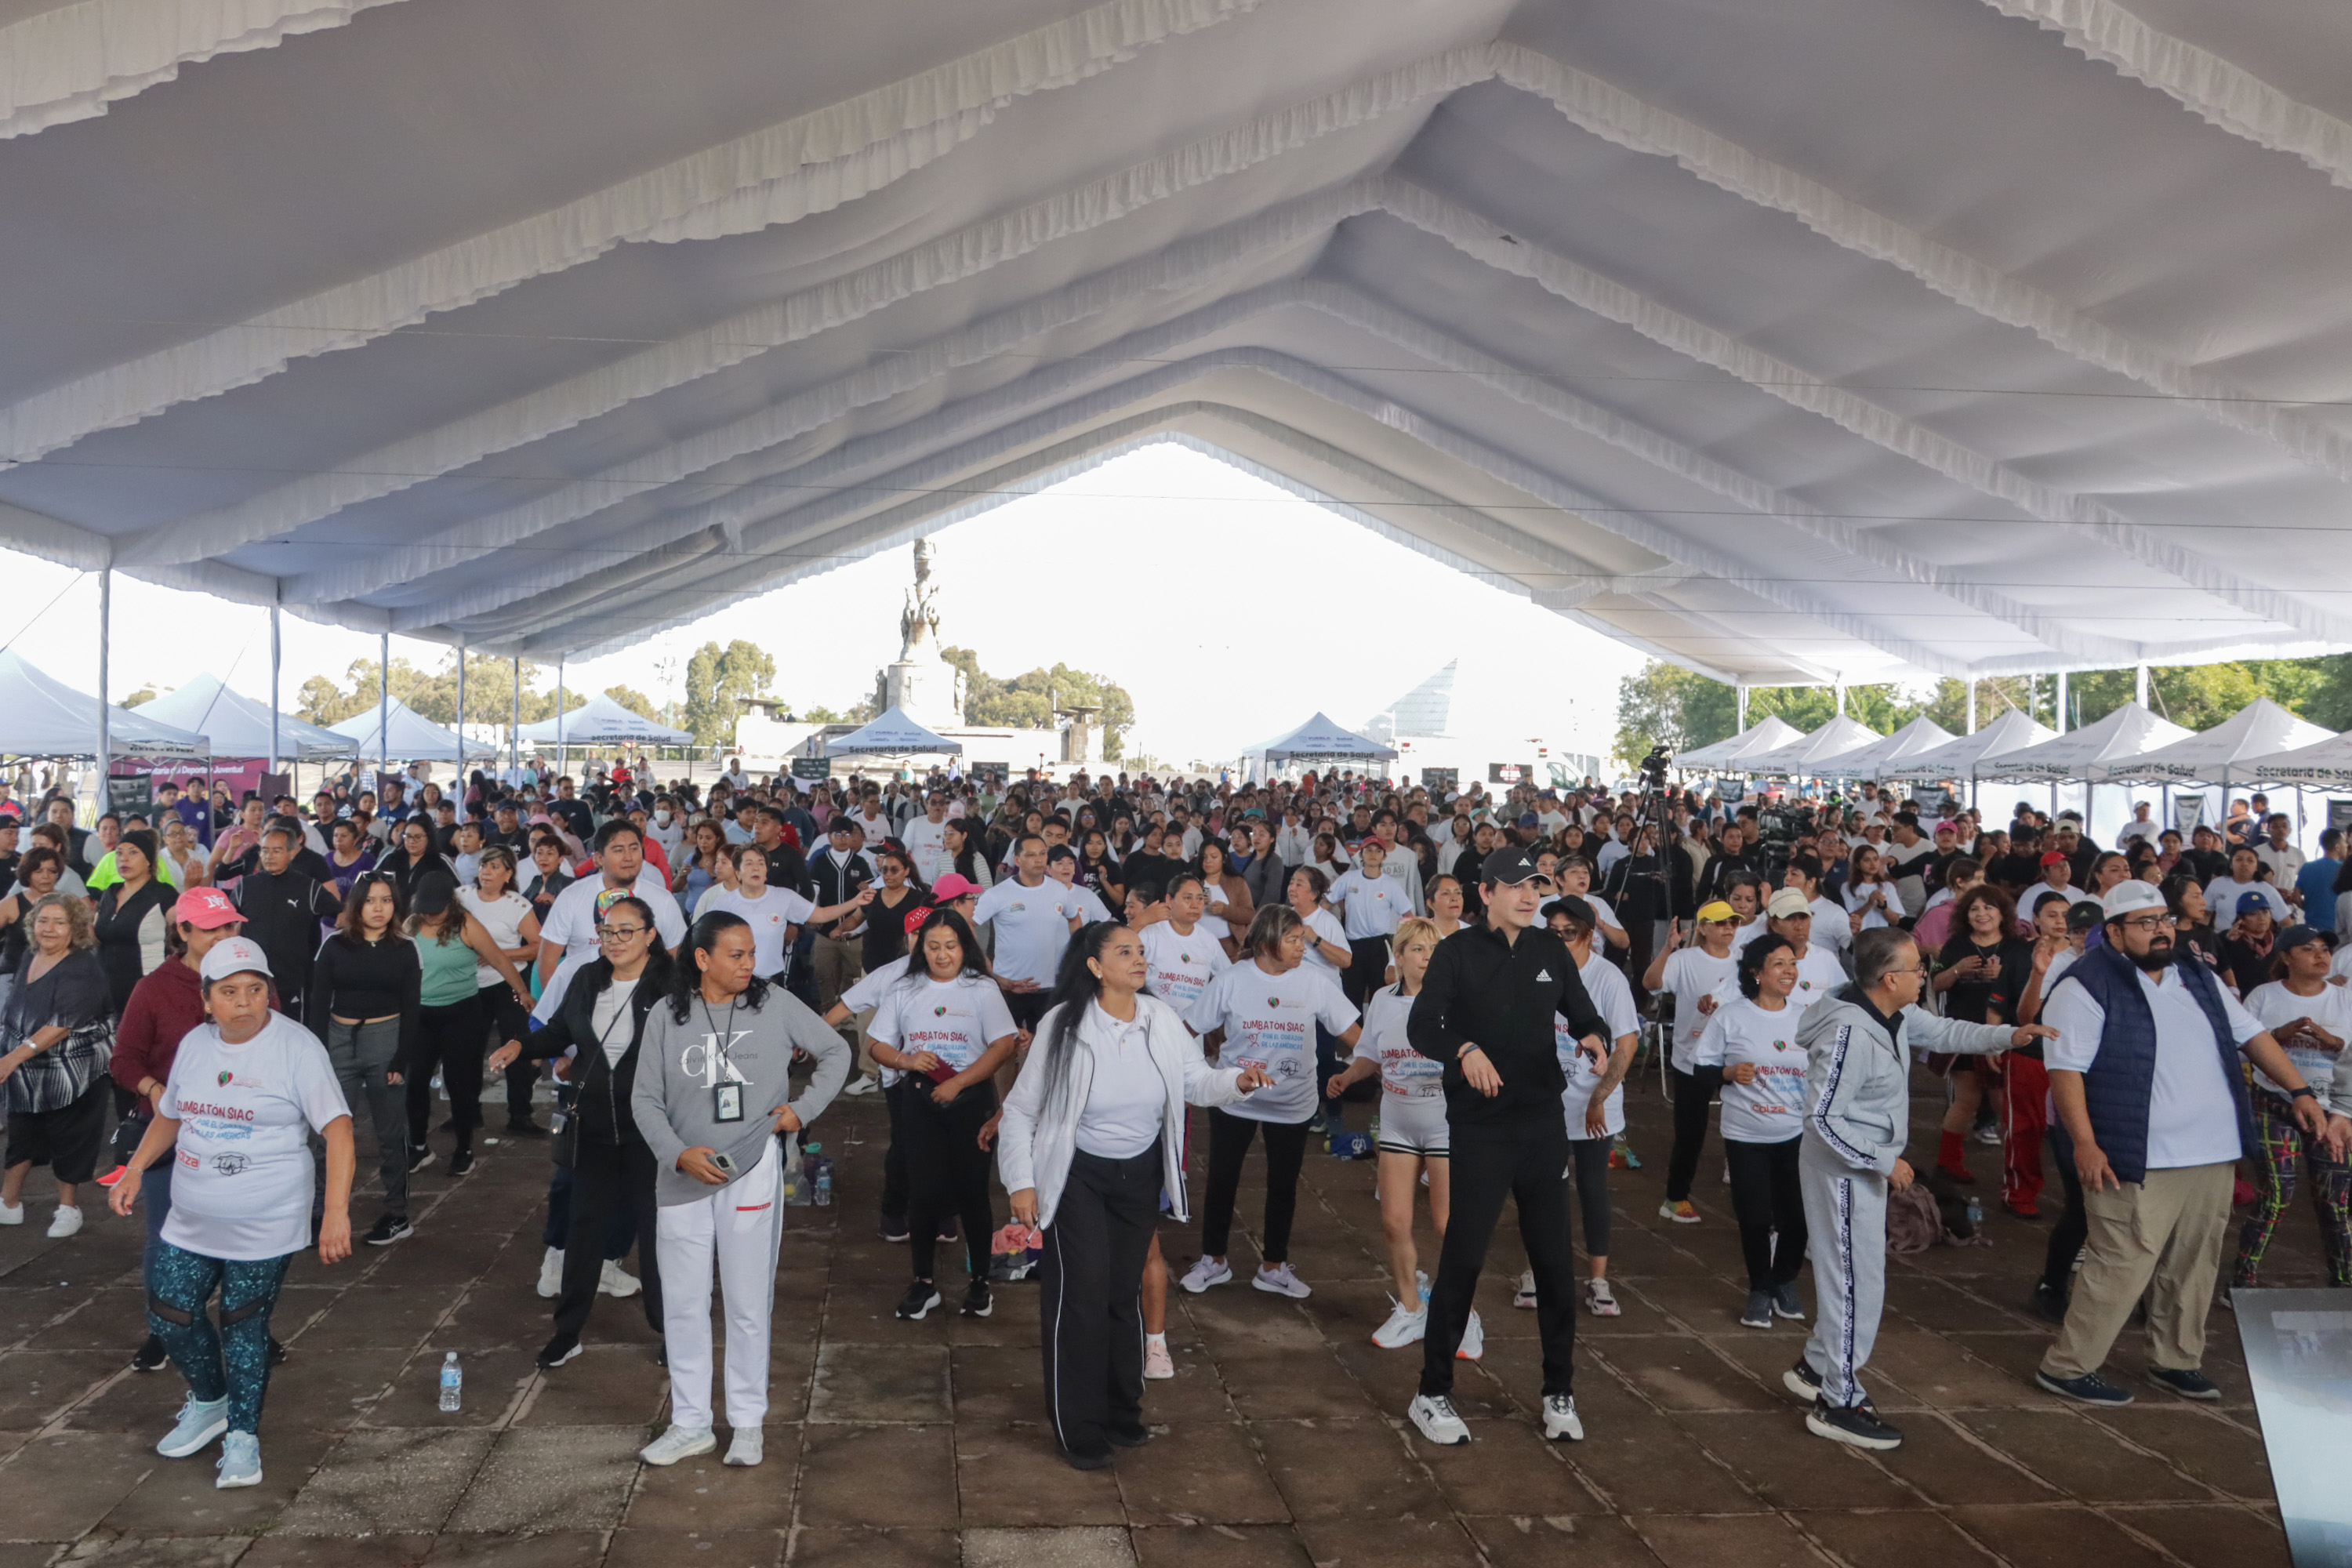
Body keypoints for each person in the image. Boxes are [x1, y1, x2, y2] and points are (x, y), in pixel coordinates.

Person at [2034, 880, 2326, 1407]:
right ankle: (2069, 1366)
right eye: (2146, 923)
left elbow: (2254, 1036)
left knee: (2194, 1263)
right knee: (2121, 1260)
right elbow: (2066, 1071)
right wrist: (2084, 1143)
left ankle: (2175, 1359)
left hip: (2211, 1151)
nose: (2161, 929)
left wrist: (2299, 1089)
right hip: (2136, 1154)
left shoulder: (2197, 975)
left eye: (2164, 919)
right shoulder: (2084, 986)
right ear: (2116, 933)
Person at [998, 921, 1272, 1469]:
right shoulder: (1064, 1024)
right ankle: (1077, 1426)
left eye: (1141, 951)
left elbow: (1195, 1081)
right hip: (1077, 1174)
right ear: (1095, 967)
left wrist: (1236, 1081)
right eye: (1124, 951)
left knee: (1121, 1294)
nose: (1139, 959)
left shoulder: (1162, 1018)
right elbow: (1021, 1110)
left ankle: (1121, 1410)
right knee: (1081, 1296)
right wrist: (1021, 1182)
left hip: (1139, 1174)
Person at [1788, 927, 2051, 1449]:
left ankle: (1817, 1368)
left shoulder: (1893, 1014)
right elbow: (1821, 1119)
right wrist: (1885, 1160)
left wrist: (2010, 1036)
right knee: (1855, 1286)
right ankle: (1838, 1402)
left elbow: (1946, 1032)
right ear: (1889, 979)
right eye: (1915, 970)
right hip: (1844, 1172)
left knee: (1861, 1281)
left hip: (1861, 1167)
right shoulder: (1850, 1032)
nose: (1923, 977)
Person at [105, 935, 353, 1490]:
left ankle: (243, 1436)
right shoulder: (195, 1044)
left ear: (270, 993)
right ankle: (211, 1400)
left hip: (265, 1218)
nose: (244, 1002)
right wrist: (136, 1169)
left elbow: (338, 1130)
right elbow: (170, 1114)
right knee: (169, 1311)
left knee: (243, 1327)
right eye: (230, 992)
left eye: (255, 990)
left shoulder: (297, 1048)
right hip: (194, 1215)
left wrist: (335, 1212)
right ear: (207, 999)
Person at [1399, 847, 1606, 1448]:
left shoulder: (1550, 950)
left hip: (1542, 1122)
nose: (1528, 895)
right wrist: (1464, 1049)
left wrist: (1591, 1034)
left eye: (1535, 885)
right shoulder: (1458, 952)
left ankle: (1557, 1390)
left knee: (1552, 1264)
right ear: (1485, 893)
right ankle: (1431, 1392)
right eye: (1515, 885)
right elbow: (1423, 1024)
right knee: (1463, 1258)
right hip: (1481, 1127)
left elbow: (1581, 1010)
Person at [630, 910, 850, 1467]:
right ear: (702, 959)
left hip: (751, 1168)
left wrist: (800, 1112)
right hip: (681, 1178)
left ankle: (747, 1423)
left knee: (749, 1302)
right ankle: (690, 1423)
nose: (750, 964)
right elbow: (645, 1100)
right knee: (683, 1304)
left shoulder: (774, 1004)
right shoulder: (666, 1014)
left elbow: (837, 1051)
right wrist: (677, 1152)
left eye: (753, 953)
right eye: (737, 954)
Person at [492, 895, 672, 1368]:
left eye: (626, 932)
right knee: (583, 1228)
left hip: (651, 1132)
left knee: (658, 1236)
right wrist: (520, 1044)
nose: (615, 941)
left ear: (650, 936)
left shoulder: (672, 985)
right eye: (608, 932)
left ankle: (670, 1331)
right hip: (592, 1125)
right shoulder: (587, 977)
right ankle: (567, 1332)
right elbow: (557, 1031)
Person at [1178, 904, 1360, 1301]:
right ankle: (1214, 1260)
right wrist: (1197, 1072)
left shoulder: (1314, 981)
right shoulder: (1232, 979)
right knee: (1222, 1180)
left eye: (1301, 939)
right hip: (1235, 1098)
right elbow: (1186, 1027)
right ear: (1264, 944)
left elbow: (1352, 1032)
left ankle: (1274, 1267)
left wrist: (1382, 1063)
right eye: (1292, 940)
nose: (1301, 947)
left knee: (1284, 1185)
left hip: (1293, 1103)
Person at [112, 888, 257, 1371]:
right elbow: (123, 1060)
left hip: (237, 1129)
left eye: (230, 926)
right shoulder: (154, 987)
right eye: (213, 928)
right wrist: (155, 1089)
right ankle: (164, 1330)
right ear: (184, 932)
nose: (224, 936)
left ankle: (251, 1327)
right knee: (166, 1237)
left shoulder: (252, 982)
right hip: (170, 1133)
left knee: (241, 1238)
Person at [867, 909, 1019, 1321]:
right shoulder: (905, 989)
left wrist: (960, 1083)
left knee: (972, 1193)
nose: (942, 954)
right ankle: (923, 1283)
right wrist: (906, 1059)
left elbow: (1003, 1046)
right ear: (921, 947)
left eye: (950, 946)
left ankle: (980, 1285)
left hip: (970, 1102)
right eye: (933, 946)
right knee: (924, 1193)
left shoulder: (982, 989)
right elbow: (876, 1044)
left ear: (964, 946)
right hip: (920, 1101)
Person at [1324, 916, 1457, 1346]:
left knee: (1447, 1225)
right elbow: (1369, 1055)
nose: (1427, 958)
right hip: (1398, 1120)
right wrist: (1348, 1075)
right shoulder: (1382, 999)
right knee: (1394, 1221)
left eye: (1433, 949)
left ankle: (1461, 1312)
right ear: (1398, 958)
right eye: (1417, 950)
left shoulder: (1455, 1000)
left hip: (1445, 1125)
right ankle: (1411, 1308)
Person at [1694, 933, 1810, 1330]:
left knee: (1798, 1218)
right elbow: (1700, 1070)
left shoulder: (1807, 1018)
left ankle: (1785, 1281)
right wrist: (1727, 1073)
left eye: (1792, 963)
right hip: (1746, 1136)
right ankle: (1760, 1288)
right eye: (1778, 964)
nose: (1788, 971)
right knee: (1755, 1216)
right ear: (1756, 973)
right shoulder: (1731, 1016)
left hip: (1796, 1134)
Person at [2232, 924, 2352, 1289]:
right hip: (2274, 1106)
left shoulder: (2345, 999)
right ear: (2285, 957)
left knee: (2336, 1202)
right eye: (2308, 949)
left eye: (2324, 949)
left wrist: (2333, 1043)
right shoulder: (2264, 997)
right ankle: (2242, 1283)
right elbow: (2240, 1047)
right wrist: (2277, 1037)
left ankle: (2344, 1282)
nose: (2320, 955)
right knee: (2277, 1195)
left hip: (2332, 1113)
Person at [305, 872, 421, 1246]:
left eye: (387, 900)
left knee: (390, 1132)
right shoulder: (334, 946)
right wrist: (318, 1055)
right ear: (356, 904)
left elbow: (412, 1008)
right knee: (329, 1131)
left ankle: (396, 1213)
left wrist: (401, 1059)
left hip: (386, 1040)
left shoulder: (406, 948)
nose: (379, 908)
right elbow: (318, 1005)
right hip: (339, 1041)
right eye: (371, 900)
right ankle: (320, 1211)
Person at [1541, 896, 1636, 1317]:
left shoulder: (1608, 978)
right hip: (1545, 1103)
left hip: (1594, 1103)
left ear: (1589, 935)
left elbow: (1626, 1043)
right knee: (1543, 1190)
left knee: (1593, 1188)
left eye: (1569, 933)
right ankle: (1538, 1271)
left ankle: (1598, 1279)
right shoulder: (1535, 974)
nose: (1560, 941)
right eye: (1552, 933)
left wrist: (1598, 1099)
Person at [0, 895, 116, 1236]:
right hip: (28, 1067)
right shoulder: (29, 955)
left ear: (75, 928)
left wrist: (11, 1058)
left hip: (73, 1069)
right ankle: (9, 1201)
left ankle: (68, 1208)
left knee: (70, 1137)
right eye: (42, 921)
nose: (49, 929)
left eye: (59, 922)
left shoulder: (82, 967)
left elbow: (61, 1024)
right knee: (21, 1134)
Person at [1646, 901, 1741, 1224]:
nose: (1729, 928)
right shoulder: (1685, 959)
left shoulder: (1743, 963)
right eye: (1721, 923)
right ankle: (1675, 1197)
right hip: (1692, 1058)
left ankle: (1747, 1188)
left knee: (1745, 1125)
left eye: (1733, 923)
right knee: (1691, 1133)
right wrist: (1668, 949)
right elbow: (1651, 983)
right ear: (1702, 927)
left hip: (1734, 1058)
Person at [974, 833, 1087, 1033]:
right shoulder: (998, 894)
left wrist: (1076, 953)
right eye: (1031, 855)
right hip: (1009, 986)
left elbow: (1074, 918)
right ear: (1017, 860)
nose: (1039, 859)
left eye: (1043, 854)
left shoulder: (1059, 890)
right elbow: (967, 926)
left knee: (1044, 1046)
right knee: (1006, 1049)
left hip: (1050, 986)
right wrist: (987, 967)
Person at [93, 829, 174, 1016]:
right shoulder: (110, 892)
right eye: (119, 853)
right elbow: (98, 935)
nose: (124, 859)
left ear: (148, 861)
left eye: (133, 852)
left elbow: (187, 932)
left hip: (146, 989)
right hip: (106, 991)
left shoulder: (162, 893)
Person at [1323, 838, 1408, 1010]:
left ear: (1384, 857)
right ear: (1361, 854)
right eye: (1368, 850)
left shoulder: (1390, 884)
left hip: (1379, 945)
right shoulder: (1349, 878)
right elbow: (1326, 904)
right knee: (1352, 995)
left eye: (1378, 851)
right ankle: (1355, 1035)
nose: (1373, 855)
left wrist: (1401, 947)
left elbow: (1408, 916)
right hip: (1352, 946)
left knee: (1380, 995)